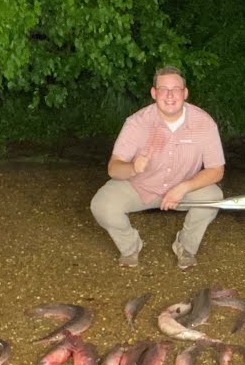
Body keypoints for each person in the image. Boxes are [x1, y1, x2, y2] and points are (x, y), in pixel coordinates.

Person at [90, 67, 225, 270]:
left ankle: (185, 246)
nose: (170, 95)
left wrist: (183, 188)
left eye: (176, 89)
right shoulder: (136, 123)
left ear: (185, 93)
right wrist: (133, 168)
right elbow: (113, 169)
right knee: (101, 205)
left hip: (181, 189)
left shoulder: (204, 123)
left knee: (214, 197)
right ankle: (130, 247)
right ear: (154, 93)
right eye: (163, 89)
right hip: (140, 186)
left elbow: (216, 170)